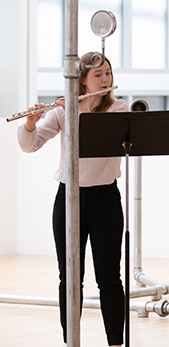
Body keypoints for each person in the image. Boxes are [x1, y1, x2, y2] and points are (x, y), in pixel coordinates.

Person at [17, 52, 127, 347]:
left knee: (109, 278)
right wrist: (31, 122)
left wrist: (74, 111)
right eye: (98, 75)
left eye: (108, 73)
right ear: (82, 82)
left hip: (105, 199)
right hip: (68, 198)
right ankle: (71, 342)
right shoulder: (63, 110)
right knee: (69, 278)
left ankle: (115, 342)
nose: (106, 79)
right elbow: (31, 145)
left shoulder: (118, 110)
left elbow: (94, 140)